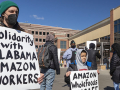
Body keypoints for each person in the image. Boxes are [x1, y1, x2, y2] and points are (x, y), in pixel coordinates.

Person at [0, 1, 44, 84]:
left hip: (18, 82)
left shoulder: (24, 35)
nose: (14, 14)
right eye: (11, 11)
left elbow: (28, 59)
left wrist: (36, 74)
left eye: (16, 12)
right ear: (3, 13)